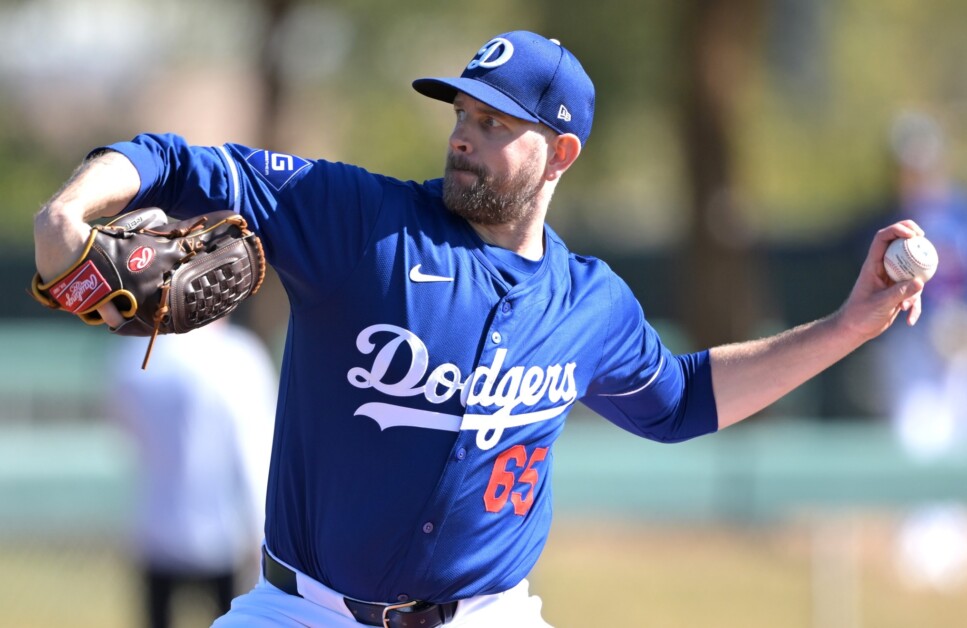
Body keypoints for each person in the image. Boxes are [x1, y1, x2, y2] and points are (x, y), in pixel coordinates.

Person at [33, 30, 928, 627]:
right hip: (302, 610)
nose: (463, 134)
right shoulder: (358, 221)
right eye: (461, 113)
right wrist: (72, 211)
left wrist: (853, 324)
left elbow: (682, 401)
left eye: (495, 123)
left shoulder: (589, 302)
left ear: (560, 152)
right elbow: (178, 161)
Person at [107, 317, 278, 628]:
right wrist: (262, 533)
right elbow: (255, 452)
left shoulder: (137, 354)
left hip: (155, 525)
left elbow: (124, 428)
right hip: (221, 530)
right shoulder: (237, 355)